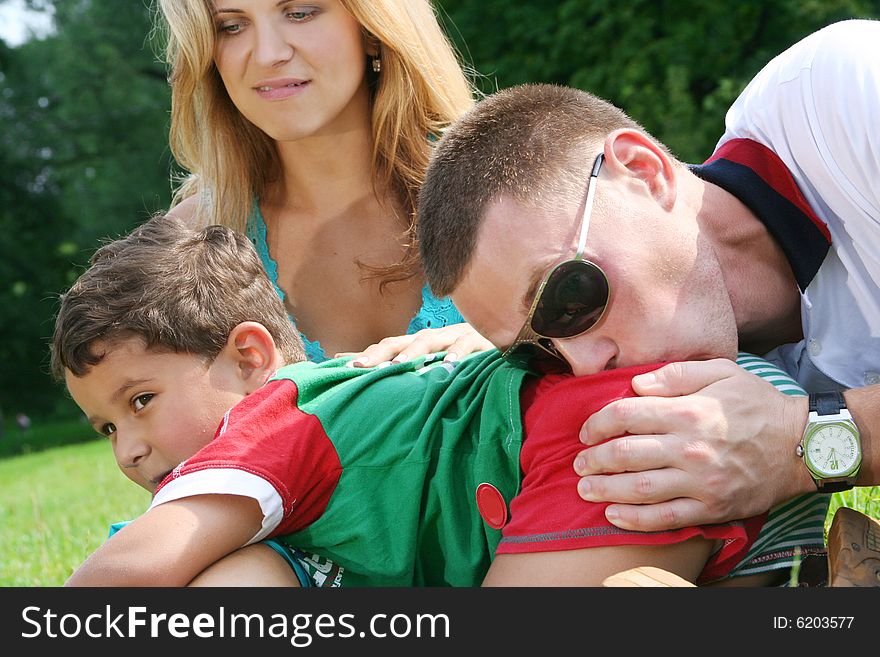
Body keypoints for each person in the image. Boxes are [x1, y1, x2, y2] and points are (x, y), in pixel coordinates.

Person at [53, 216, 802, 587]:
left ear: (250, 358)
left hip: (599, 445)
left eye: (141, 400)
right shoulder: (341, 396)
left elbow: (135, 567)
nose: (129, 448)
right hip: (722, 410)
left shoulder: (265, 424)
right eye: (106, 425)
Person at [416, 19, 880, 583]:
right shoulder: (711, 372)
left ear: (641, 171)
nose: (586, 365)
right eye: (539, 351)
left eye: (566, 298)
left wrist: (806, 438)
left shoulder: (842, 98)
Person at [155, 0, 492, 366]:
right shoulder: (187, 244)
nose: (269, 54)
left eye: (300, 13)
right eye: (231, 26)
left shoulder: (501, 185)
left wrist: (513, 342)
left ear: (371, 30)